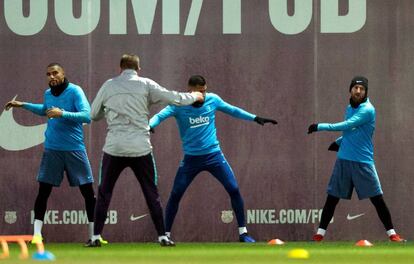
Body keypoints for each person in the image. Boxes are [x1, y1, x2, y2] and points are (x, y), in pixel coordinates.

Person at [89, 54, 203, 247]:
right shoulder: (146, 84)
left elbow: (93, 114)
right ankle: (163, 236)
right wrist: (195, 96)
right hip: (140, 148)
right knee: (151, 192)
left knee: (104, 193)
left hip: (114, 147)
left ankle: (95, 237)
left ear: (120, 68)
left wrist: (107, 112)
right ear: (138, 69)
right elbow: (173, 98)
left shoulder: (108, 85)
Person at [149, 75, 277, 243]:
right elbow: (159, 116)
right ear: (190, 91)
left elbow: (233, 110)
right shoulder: (178, 104)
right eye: (198, 92)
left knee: (234, 189)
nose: (202, 95)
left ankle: (243, 233)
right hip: (191, 160)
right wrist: (150, 125)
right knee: (176, 194)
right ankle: (165, 235)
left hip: (214, 156)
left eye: (204, 91)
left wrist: (254, 117)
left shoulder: (213, 99)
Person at [4, 63, 96, 245]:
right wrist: (23, 105)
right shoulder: (48, 93)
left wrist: (62, 113)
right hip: (52, 149)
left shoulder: (75, 91)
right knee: (43, 192)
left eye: (55, 73)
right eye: (48, 74)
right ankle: (37, 235)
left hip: (74, 149)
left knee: (88, 193)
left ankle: (94, 236)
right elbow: (45, 110)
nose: (51, 77)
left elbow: (87, 116)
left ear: (63, 73)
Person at [307, 76, 405, 242]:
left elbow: (346, 125)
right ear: (350, 90)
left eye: (361, 89)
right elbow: (350, 131)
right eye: (355, 88)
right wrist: (339, 142)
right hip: (344, 160)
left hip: (363, 162)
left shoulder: (368, 109)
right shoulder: (349, 107)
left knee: (377, 199)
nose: (358, 91)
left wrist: (320, 126)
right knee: (332, 199)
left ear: (366, 92)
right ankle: (319, 235)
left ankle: (392, 234)